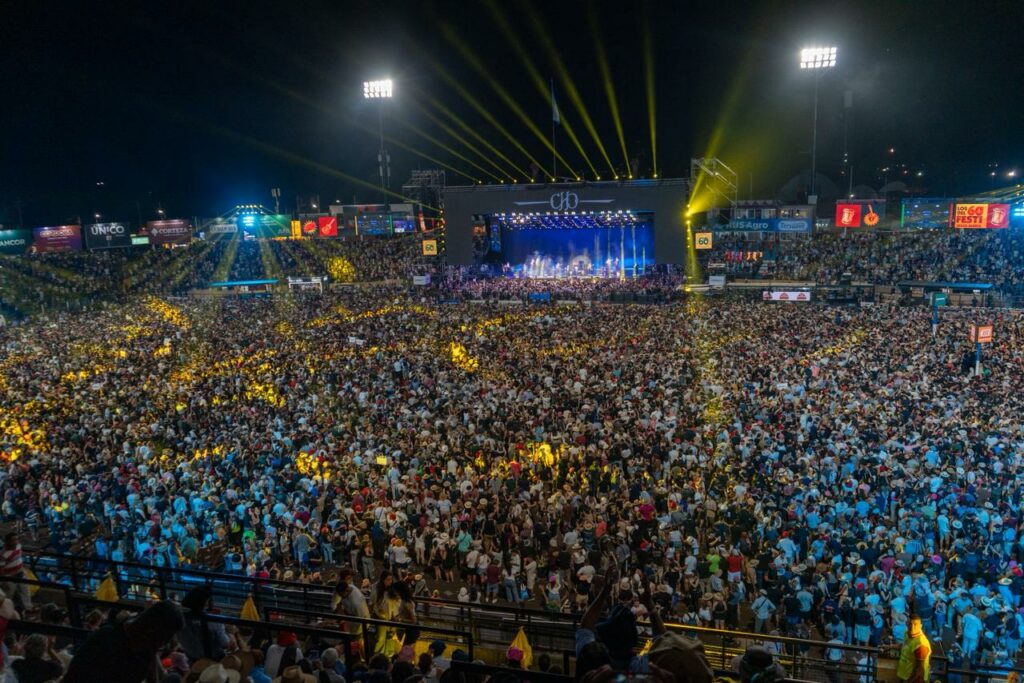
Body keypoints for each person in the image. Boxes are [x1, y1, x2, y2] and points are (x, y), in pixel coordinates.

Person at [63, 601, 185, 683]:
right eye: (166, 637)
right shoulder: (106, 641)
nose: (165, 643)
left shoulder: (142, 647)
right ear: (154, 631)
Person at [896, 614, 931, 683]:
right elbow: (905, 645)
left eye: (915, 624)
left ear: (921, 626)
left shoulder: (921, 644)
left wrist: (909, 681)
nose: (912, 627)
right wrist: (889, 647)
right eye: (910, 624)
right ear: (907, 624)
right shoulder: (907, 633)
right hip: (904, 675)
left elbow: (919, 670)